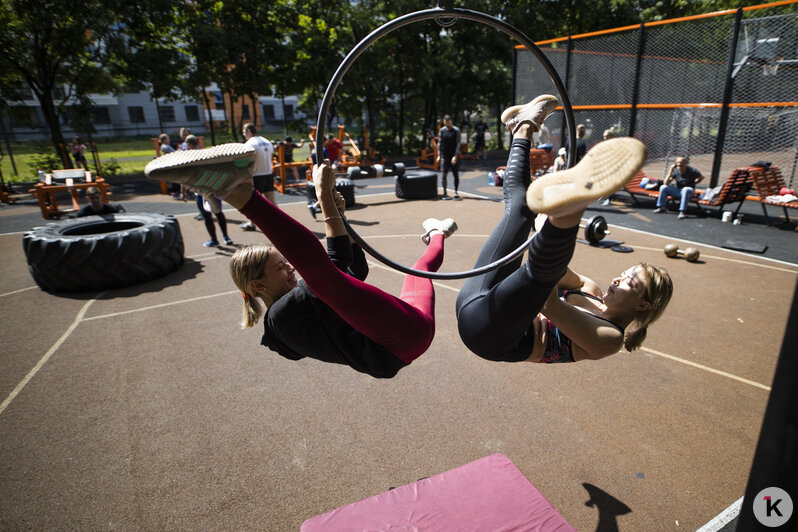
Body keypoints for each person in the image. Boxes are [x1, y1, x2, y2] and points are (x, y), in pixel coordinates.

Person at [143, 149, 457, 379]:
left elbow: (352, 272)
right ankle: (240, 193)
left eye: (286, 262)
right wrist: (325, 199)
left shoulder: (303, 307)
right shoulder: (281, 318)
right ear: (258, 285)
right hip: (399, 338)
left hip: (410, 323)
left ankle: (438, 231)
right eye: (280, 267)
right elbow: (329, 272)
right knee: (324, 280)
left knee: (422, 267)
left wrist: (340, 218)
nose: (291, 267)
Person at [456, 95, 673, 364]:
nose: (617, 279)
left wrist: (547, 225)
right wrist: (540, 222)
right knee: (521, 211)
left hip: (490, 335)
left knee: (539, 275)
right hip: (481, 295)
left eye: (630, 281)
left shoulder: (610, 338)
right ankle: (523, 127)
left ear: (642, 305)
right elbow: (558, 271)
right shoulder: (587, 287)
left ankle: (573, 206)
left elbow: (548, 303)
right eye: (623, 274)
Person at [184, 135, 233, 247]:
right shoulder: (208, 154)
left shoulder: (188, 158)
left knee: (207, 216)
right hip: (212, 190)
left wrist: (184, 192)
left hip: (202, 192)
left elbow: (186, 177)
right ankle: (226, 237)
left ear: (188, 145)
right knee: (218, 213)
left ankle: (214, 240)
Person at [240, 123, 275, 231]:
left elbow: (248, 162)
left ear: (249, 131)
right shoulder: (266, 141)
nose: (244, 134)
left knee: (254, 202)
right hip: (268, 173)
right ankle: (279, 221)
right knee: (271, 201)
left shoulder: (250, 143)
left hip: (257, 175)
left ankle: (252, 223)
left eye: (244, 132)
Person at [436, 115, 461, 200]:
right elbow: (440, 143)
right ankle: (445, 193)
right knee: (443, 175)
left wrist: (455, 156)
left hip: (454, 156)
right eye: (446, 123)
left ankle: (456, 192)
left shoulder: (456, 130)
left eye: (449, 123)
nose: (448, 124)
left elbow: (458, 143)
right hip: (445, 157)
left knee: (455, 174)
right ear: (444, 122)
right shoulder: (442, 131)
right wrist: (439, 155)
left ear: (451, 122)